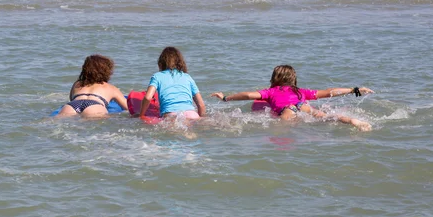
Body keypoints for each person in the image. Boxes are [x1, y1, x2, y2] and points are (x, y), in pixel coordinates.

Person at [211, 65, 374, 131]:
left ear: (274, 79)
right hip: (302, 105)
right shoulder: (301, 91)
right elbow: (330, 91)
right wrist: (355, 89)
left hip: (287, 110)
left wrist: (226, 98)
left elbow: (247, 95)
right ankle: (352, 121)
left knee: (280, 129)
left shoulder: (270, 92)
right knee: (328, 117)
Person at [140, 47, 206, 123]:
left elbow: (148, 98)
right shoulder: (187, 77)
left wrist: (141, 115)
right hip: (192, 115)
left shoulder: (157, 76)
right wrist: (201, 119)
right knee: (188, 131)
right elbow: (201, 105)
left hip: (172, 116)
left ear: (161, 62)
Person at [57, 54, 129, 118]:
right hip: (94, 106)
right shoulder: (111, 88)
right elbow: (128, 107)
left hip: (72, 105)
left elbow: (71, 99)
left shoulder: (77, 84)